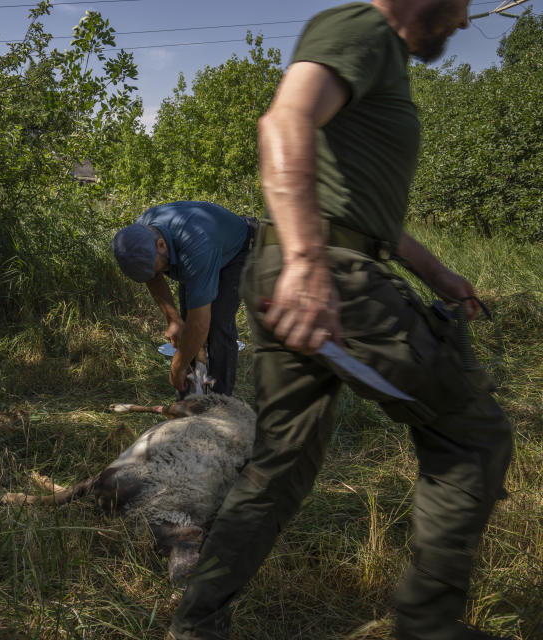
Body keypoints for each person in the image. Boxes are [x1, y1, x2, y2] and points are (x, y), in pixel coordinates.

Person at [167, 1, 513, 639]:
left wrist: (437, 274)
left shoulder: (378, 58)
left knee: (279, 468)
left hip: (302, 272)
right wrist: (306, 262)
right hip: (325, 277)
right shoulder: (361, 29)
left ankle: (196, 624)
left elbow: (360, 210)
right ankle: (430, 629)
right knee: (472, 436)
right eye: (463, 3)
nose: (467, 21)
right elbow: (283, 123)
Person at [112, 201, 257, 396]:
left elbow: (199, 324)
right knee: (185, 328)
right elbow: (152, 278)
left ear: (161, 245)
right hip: (202, 248)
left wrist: (177, 367)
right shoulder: (139, 236)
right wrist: (172, 319)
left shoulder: (197, 246)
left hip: (237, 251)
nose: (157, 274)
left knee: (217, 324)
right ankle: (191, 399)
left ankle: (220, 403)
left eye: (158, 268)